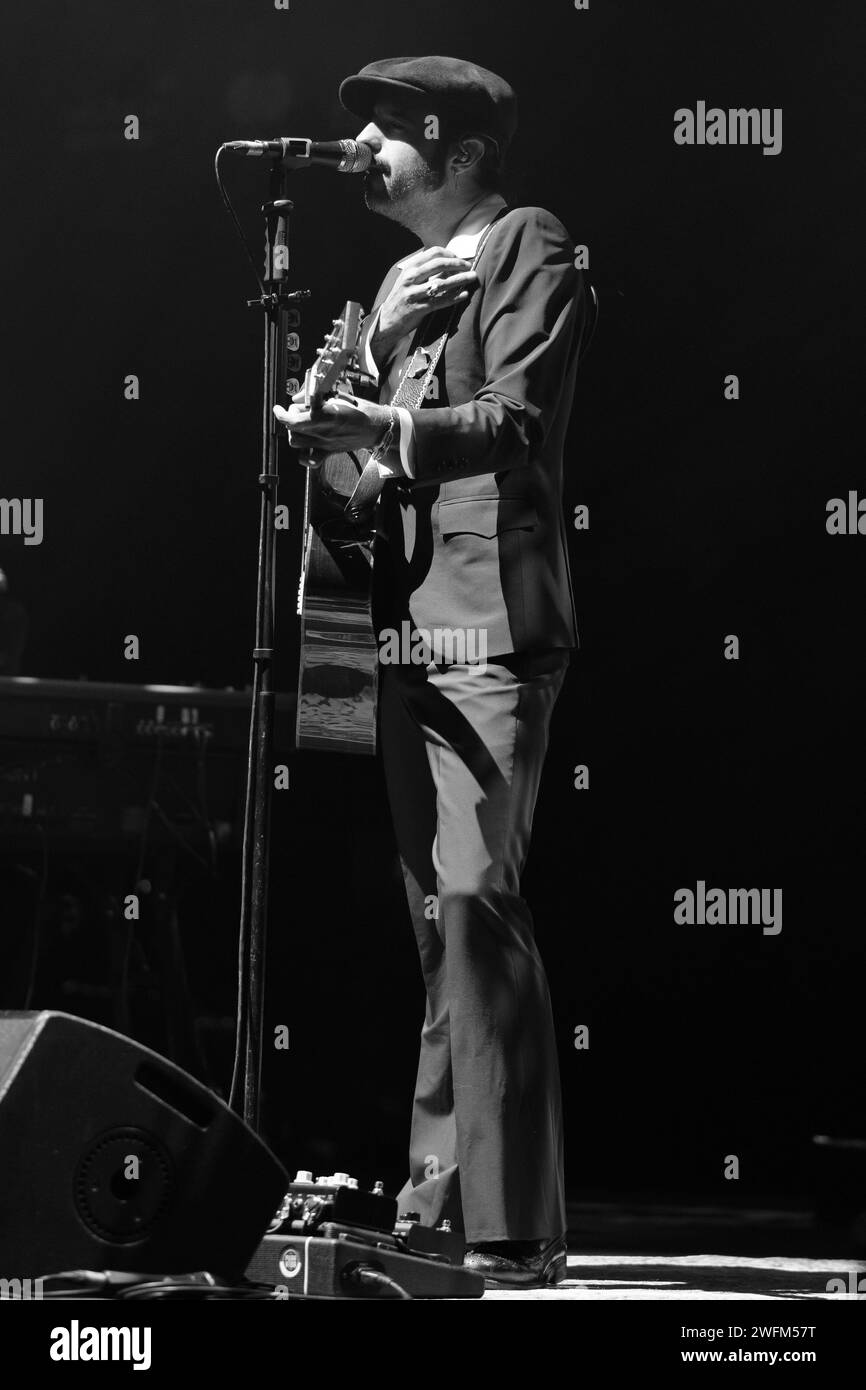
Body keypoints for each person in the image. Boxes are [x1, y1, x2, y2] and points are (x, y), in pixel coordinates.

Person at [277, 55, 589, 1288]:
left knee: (473, 903)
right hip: (402, 631)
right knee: (434, 924)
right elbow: (360, 495)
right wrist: (329, 433)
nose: (360, 147)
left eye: (383, 133)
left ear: (451, 151)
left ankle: (508, 1229)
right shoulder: (398, 285)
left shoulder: (528, 242)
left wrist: (383, 423)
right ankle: (434, 1211)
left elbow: (515, 418)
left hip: (488, 627)